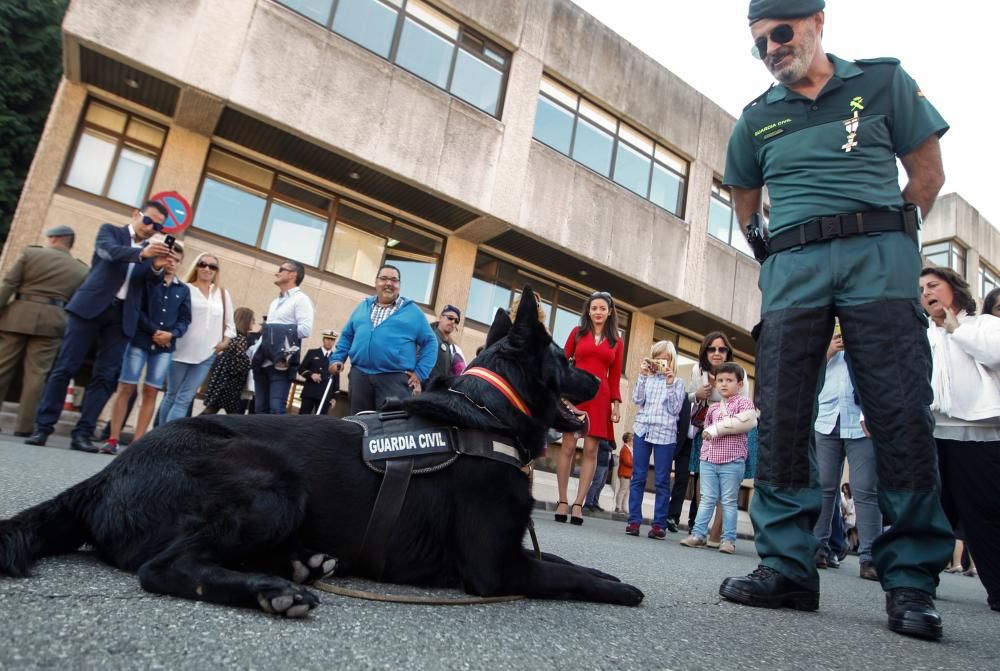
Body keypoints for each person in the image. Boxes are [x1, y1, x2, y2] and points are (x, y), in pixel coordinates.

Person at [719, 1, 953, 639]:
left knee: (899, 407)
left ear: (818, 21)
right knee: (786, 409)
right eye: (759, 42)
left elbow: (927, 175)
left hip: (879, 261)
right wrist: (769, 249)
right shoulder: (758, 117)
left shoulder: (882, 82)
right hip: (794, 269)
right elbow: (744, 195)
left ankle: (908, 580)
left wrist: (886, 236)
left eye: (781, 32)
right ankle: (789, 569)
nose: (771, 48)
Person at [25, 202, 172, 452]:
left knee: (105, 376)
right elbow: (109, 253)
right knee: (65, 367)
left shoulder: (152, 249)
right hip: (89, 307)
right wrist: (141, 255)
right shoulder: (110, 232)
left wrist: (157, 267)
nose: (151, 228)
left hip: (123, 315)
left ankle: (83, 433)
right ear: (136, 215)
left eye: (157, 226)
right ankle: (43, 427)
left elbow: (148, 283)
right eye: (148, 221)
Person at [920, 267, 1000, 612]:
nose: (926, 292)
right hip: (932, 432)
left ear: (955, 287)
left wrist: (957, 331)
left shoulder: (984, 325)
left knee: (984, 513)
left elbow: (995, 356)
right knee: (931, 512)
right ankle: (919, 584)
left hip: (980, 434)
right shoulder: (923, 333)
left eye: (933, 285)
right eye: (921, 288)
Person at [102, 242, 190, 455]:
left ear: (181, 264)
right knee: (125, 387)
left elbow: (185, 319)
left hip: (165, 347)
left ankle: (137, 444)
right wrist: (153, 331)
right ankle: (112, 438)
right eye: (169, 258)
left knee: (151, 392)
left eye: (176, 260)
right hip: (140, 340)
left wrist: (172, 334)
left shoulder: (183, 289)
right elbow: (136, 309)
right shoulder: (149, 281)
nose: (171, 263)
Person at [0, 226, 88, 437]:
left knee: (2, 368)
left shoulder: (31, 254)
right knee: (37, 375)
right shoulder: (81, 269)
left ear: (55, 238)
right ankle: (25, 427)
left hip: (18, 315)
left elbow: (9, 283)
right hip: (53, 321)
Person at [812, 324, 882, 581]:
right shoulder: (823, 331)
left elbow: (878, 373)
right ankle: (817, 548)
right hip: (826, 416)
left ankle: (870, 557)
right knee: (824, 486)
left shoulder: (870, 329)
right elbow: (808, 371)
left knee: (865, 490)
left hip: (861, 419)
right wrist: (829, 350)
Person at [554, 291, 624, 526]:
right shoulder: (577, 333)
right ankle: (563, 500)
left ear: (610, 311)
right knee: (568, 446)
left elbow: (614, 377)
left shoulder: (617, 340)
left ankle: (578, 504)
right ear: (588, 310)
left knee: (592, 451)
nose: (598, 312)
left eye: (602, 308)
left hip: (600, 397)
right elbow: (563, 362)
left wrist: (615, 404)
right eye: (594, 308)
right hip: (576, 394)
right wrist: (560, 393)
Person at [328, 265, 435, 415]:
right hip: (360, 376)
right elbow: (347, 335)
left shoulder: (413, 312)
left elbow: (431, 342)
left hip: (394, 379)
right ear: (376, 282)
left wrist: (420, 373)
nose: (389, 283)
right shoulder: (362, 307)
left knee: (390, 429)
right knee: (360, 424)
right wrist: (337, 358)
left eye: (394, 280)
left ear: (399, 285)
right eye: (383, 279)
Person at [681, 363, 755, 554]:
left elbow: (746, 423)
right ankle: (698, 534)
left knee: (728, 501)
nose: (723, 384)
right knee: (706, 499)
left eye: (729, 381)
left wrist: (715, 431)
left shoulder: (744, 403)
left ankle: (728, 540)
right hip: (709, 460)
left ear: (740, 384)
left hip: (732, 460)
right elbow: (706, 431)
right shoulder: (713, 408)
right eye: (720, 380)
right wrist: (704, 455)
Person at [158, 253, 236, 423]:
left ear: (217, 271)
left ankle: (169, 441)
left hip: (207, 354)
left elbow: (230, 325)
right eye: (203, 264)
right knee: (172, 395)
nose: (207, 269)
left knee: (184, 399)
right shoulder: (184, 289)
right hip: (180, 350)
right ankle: (158, 436)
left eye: (212, 266)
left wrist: (225, 342)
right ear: (196, 266)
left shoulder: (222, 294)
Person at [686, 332, 746, 544]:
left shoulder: (739, 373)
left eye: (722, 349)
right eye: (712, 349)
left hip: (730, 433)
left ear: (728, 352)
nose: (717, 353)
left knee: (727, 488)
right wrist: (698, 395)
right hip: (706, 430)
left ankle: (716, 534)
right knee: (704, 483)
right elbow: (691, 397)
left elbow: (743, 405)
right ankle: (699, 532)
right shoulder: (697, 370)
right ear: (705, 351)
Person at [625, 340, 686, 539]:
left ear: (671, 361)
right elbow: (636, 400)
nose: (661, 363)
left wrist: (669, 385)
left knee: (661, 481)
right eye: (658, 358)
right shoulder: (647, 379)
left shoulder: (677, 383)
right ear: (652, 359)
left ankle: (659, 525)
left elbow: (675, 409)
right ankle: (634, 521)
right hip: (643, 430)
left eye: (665, 359)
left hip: (666, 435)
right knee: (638, 477)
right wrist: (642, 376)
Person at [251, 260, 313, 415]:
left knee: (276, 409)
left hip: (281, 363)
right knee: (259, 410)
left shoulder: (301, 299)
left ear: (293, 274)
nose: (276, 273)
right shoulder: (275, 302)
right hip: (262, 361)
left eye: (281, 269)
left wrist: (274, 331)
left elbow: (305, 329)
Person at [202, 307, 255, 415]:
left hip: (221, 378)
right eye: (252, 320)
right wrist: (249, 363)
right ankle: (193, 427)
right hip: (230, 383)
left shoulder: (231, 336)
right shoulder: (241, 339)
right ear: (245, 320)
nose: (254, 323)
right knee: (219, 410)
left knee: (214, 408)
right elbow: (239, 362)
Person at [297, 329, 340, 415]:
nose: (329, 342)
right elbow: (301, 369)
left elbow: (336, 378)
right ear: (323, 339)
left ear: (334, 342)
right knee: (302, 420)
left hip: (325, 395)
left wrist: (334, 397)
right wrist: (311, 374)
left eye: (332, 340)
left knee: (319, 423)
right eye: (327, 339)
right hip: (310, 392)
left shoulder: (336, 358)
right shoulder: (312, 353)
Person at [424, 304, 467, 389]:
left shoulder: (452, 349)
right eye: (450, 318)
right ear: (441, 317)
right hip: (422, 390)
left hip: (436, 394)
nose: (453, 322)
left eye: (456, 321)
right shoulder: (428, 336)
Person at [584, 440, 614, 512]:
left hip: (607, 464)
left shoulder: (609, 438)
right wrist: (610, 446)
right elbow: (607, 447)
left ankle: (595, 502)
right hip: (600, 463)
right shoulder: (602, 438)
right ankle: (588, 503)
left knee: (601, 484)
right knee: (596, 483)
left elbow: (614, 446)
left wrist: (611, 439)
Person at [614, 433, 633, 514]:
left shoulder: (629, 449)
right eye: (632, 438)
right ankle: (618, 507)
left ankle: (623, 507)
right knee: (623, 490)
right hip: (624, 472)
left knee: (626, 491)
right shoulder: (625, 449)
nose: (633, 440)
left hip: (628, 473)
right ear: (628, 439)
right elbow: (627, 462)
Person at [841, 483, 859, 553]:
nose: (845, 490)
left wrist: (847, 514)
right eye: (843, 489)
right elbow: (843, 507)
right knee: (851, 531)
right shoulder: (843, 497)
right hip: (845, 516)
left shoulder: (852, 497)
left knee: (850, 531)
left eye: (845, 488)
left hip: (851, 516)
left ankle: (853, 546)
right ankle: (852, 546)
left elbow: (853, 509)